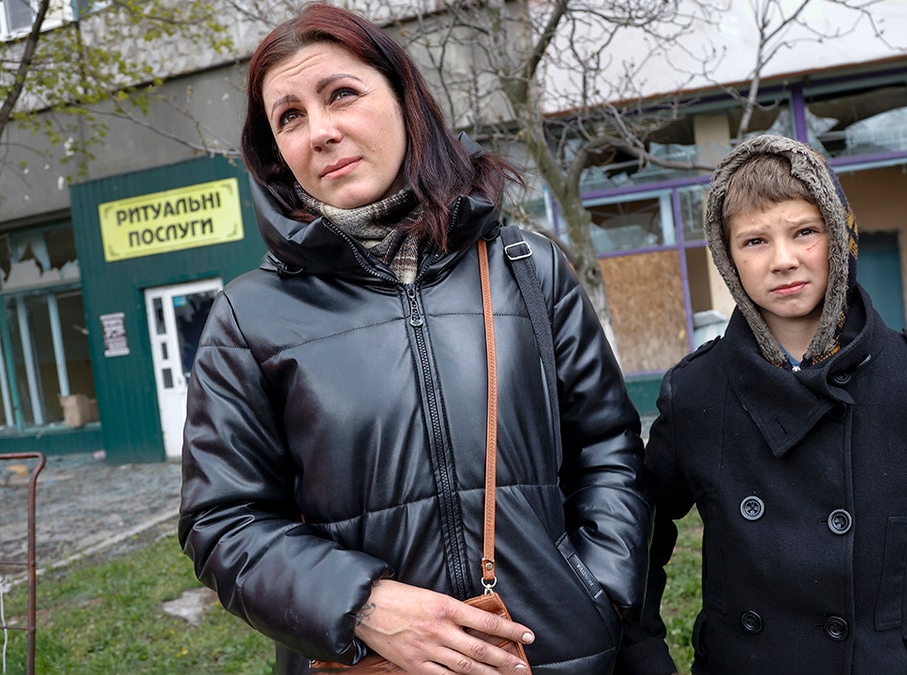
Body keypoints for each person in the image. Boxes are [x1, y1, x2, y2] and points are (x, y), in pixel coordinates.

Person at [177, 4, 651, 674]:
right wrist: (361, 605)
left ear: (405, 100)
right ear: (275, 154)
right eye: (289, 116)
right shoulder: (249, 318)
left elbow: (608, 447)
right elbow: (222, 522)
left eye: (341, 94)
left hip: (554, 656)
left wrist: (594, 589)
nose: (320, 131)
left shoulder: (526, 269)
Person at [616, 134, 907, 674]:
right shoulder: (696, 394)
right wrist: (645, 662)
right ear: (726, 256)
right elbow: (634, 540)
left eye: (805, 232)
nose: (783, 261)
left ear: (839, 234)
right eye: (754, 241)